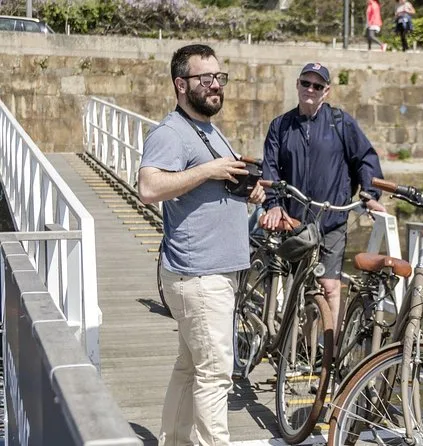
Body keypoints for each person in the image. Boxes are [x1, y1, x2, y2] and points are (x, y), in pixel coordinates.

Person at [137, 44, 265, 446]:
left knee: (191, 366)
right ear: (181, 84)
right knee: (215, 374)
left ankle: (174, 440)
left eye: (219, 78)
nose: (215, 85)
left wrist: (248, 190)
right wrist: (209, 169)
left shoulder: (207, 128)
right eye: (205, 78)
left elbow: (214, 183)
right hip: (200, 275)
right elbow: (148, 187)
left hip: (213, 271)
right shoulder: (170, 132)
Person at [261, 63, 386, 342]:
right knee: (299, 288)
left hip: (331, 221)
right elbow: (270, 168)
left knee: (329, 287)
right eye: (306, 83)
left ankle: (328, 351)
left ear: (326, 91)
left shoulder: (340, 123)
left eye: (317, 86)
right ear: (297, 84)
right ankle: (305, 347)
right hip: (294, 221)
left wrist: (369, 194)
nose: (311, 89)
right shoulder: (281, 126)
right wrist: (274, 204)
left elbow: (365, 158)